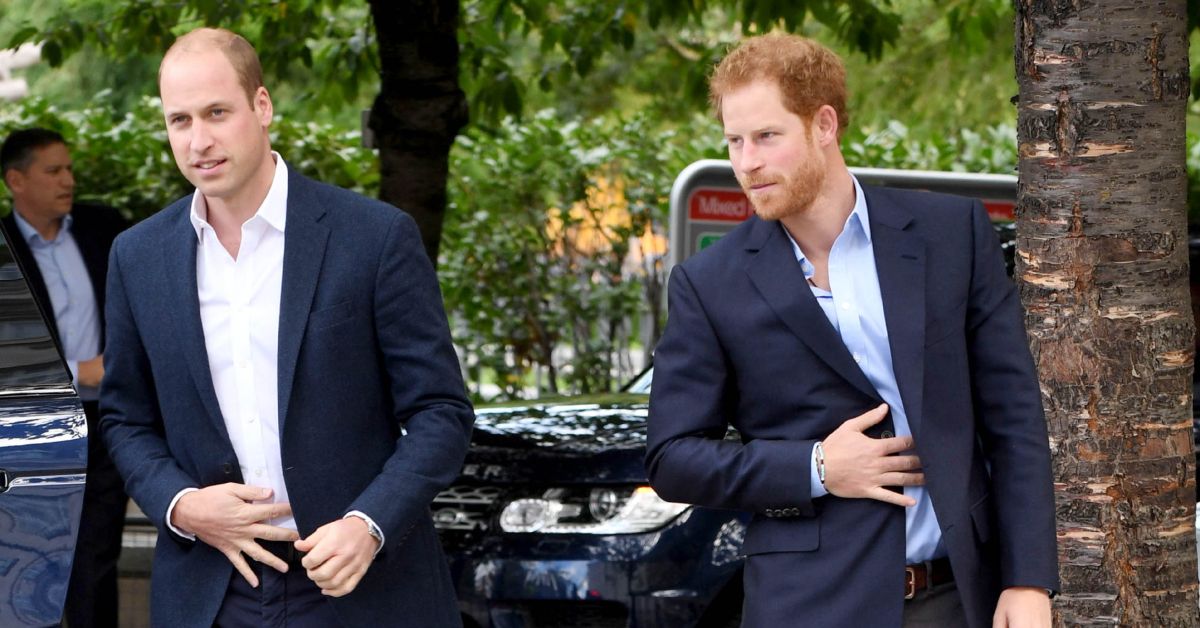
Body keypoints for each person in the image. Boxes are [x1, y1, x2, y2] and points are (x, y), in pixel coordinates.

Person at [645, 33, 1058, 628]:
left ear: (824, 124)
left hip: (955, 594)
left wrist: (1027, 580)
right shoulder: (709, 283)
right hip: (806, 604)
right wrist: (814, 467)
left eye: (766, 136)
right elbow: (673, 458)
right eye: (733, 141)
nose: (746, 162)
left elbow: (1013, 417)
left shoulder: (951, 235)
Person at [100, 27, 474, 627]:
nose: (200, 140)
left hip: (359, 585)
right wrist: (182, 505)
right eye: (180, 121)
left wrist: (368, 525)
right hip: (212, 591)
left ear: (263, 106)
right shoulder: (136, 256)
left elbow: (441, 412)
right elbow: (125, 417)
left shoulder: (375, 238)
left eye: (217, 112)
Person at [0, 128, 129, 628]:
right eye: (53, 171)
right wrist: (79, 371)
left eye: (69, 169)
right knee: (34, 566)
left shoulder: (104, 229)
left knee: (98, 561)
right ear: (17, 180)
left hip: (108, 420)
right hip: (32, 426)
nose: (68, 180)